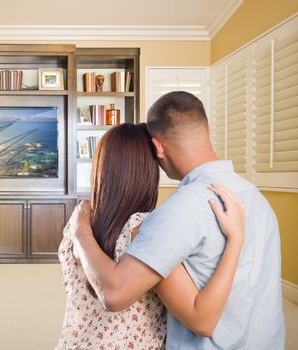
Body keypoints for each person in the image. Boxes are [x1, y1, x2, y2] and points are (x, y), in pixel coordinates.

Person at [69, 91, 285, 349]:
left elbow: (114, 294)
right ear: (207, 128)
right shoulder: (256, 197)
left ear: (158, 146)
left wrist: (80, 231)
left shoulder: (179, 209)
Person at [57, 123, 246, 349]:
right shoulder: (144, 230)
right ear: (148, 172)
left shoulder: (78, 221)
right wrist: (236, 239)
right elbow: (201, 320)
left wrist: (80, 231)